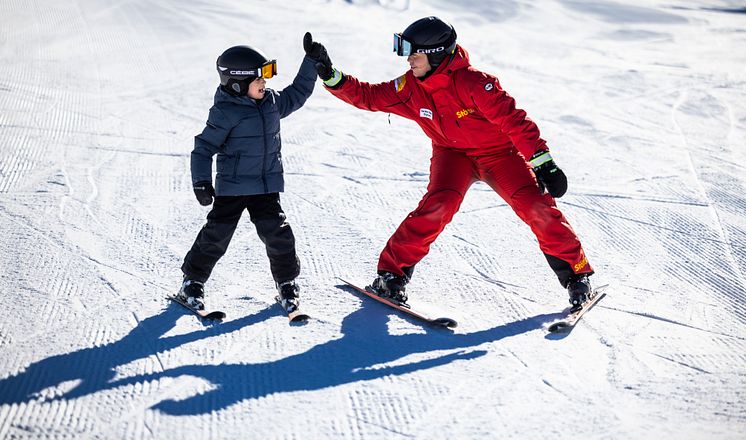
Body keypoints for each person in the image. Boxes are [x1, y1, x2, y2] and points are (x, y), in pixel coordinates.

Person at [303, 18, 595, 309]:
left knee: (536, 205)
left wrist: (543, 163)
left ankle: (577, 276)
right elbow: (369, 95)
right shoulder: (410, 86)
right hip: (452, 155)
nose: (408, 59)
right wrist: (331, 75)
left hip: (499, 155)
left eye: (413, 52)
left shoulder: (475, 83)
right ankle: (391, 275)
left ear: (435, 53)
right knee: (438, 205)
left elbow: (514, 121)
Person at [179, 39, 317, 314]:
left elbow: (298, 92)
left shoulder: (271, 103)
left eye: (267, 77)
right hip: (233, 187)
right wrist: (201, 181)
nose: (265, 83)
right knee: (216, 236)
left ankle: (286, 284)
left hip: (265, 187)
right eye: (260, 78)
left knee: (279, 235)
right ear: (238, 83)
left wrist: (312, 61)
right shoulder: (225, 112)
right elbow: (203, 147)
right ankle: (192, 282)